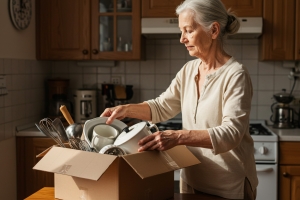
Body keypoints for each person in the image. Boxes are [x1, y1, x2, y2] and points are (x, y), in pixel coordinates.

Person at [101, 0, 258, 199]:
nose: (182, 39)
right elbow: (161, 107)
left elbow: (231, 134)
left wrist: (177, 137)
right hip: (192, 181)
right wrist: (126, 109)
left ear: (214, 30)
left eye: (189, 30)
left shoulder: (236, 74)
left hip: (228, 186)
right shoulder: (189, 70)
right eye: (181, 31)